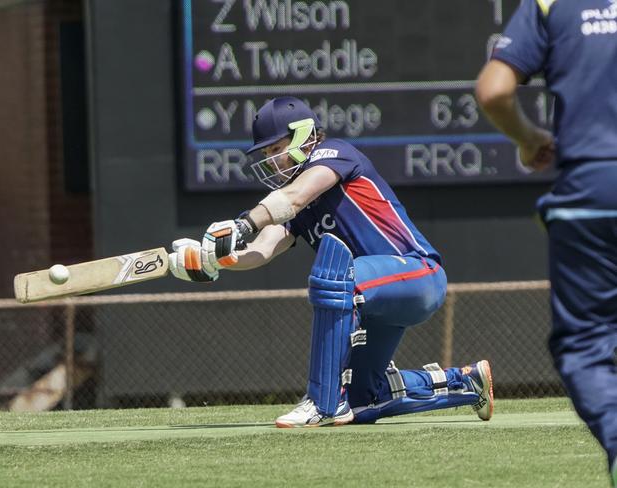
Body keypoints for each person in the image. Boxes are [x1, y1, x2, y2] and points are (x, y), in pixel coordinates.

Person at [168, 96, 494, 427]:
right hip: (373, 300)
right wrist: (214, 261)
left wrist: (242, 225)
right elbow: (262, 251)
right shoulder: (293, 209)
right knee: (363, 400)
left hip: (418, 272)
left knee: (335, 277)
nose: (271, 161)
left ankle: (322, 403)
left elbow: (294, 198)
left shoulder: (333, 153)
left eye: (274, 149)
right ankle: (465, 380)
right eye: (266, 155)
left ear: (304, 136)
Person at [476, 1, 617, 484]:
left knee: (585, 345)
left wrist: (528, 137)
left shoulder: (550, 3)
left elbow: (494, 91)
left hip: (590, 192)